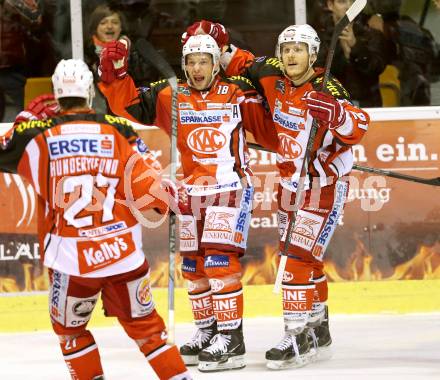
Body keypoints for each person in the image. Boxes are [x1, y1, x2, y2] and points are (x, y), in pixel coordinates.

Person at [184, 21, 370, 369]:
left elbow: (359, 126)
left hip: (322, 186)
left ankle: (296, 333)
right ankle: (319, 330)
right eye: (286, 50)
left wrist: (337, 115)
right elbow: (239, 61)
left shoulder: (329, 88)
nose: (290, 55)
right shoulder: (272, 74)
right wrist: (212, 40)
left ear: (313, 55)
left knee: (296, 260)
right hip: (289, 187)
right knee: (303, 259)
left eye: (298, 50)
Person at [0, 59, 192, 380]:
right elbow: (151, 188)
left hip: (73, 259)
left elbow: (5, 150)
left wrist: (25, 119)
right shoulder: (119, 130)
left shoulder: (38, 134)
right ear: (90, 91)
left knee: (70, 331)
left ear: (57, 94)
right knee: (148, 330)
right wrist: (167, 199)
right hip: (122, 254)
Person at [98, 34, 274, 372]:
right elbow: (128, 104)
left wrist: (302, 145)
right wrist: (115, 75)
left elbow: (269, 126)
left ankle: (232, 339)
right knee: (193, 268)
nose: (196, 68)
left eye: (203, 61)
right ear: (184, 65)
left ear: (214, 63)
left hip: (229, 188)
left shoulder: (237, 92)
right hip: (191, 192)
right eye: (191, 62)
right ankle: (208, 331)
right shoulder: (171, 96)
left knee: (219, 264)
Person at [313, 0, 387, 107]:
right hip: (330, 104)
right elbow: (316, 72)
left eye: (353, 2)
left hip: (365, 105)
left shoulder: (372, 35)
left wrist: (355, 46)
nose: (348, 7)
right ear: (330, 5)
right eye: (342, 2)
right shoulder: (318, 38)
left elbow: (376, 68)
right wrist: (337, 44)